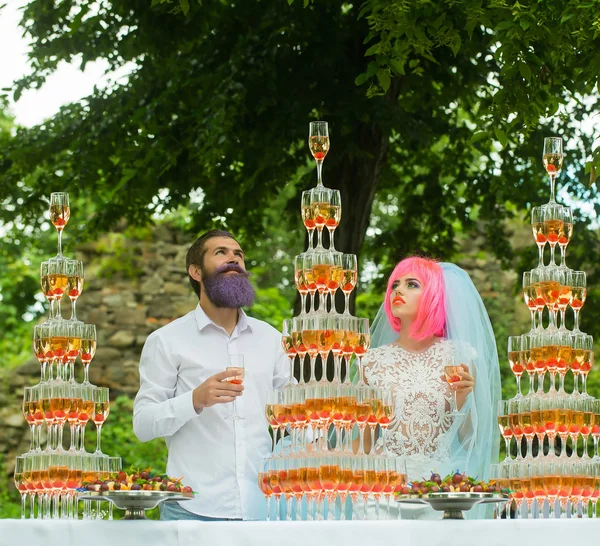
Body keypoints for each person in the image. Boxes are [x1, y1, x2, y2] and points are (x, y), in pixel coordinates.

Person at [133, 229, 289, 521]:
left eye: (238, 254)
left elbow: (296, 415)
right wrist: (194, 399)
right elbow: (143, 424)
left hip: (263, 507)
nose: (233, 259)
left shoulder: (272, 339)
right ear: (195, 271)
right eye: (221, 253)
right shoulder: (167, 340)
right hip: (191, 508)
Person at [360, 256, 501, 519]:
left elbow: (470, 439)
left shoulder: (459, 355)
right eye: (394, 285)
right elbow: (363, 442)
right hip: (379, 491)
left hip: (437, 491)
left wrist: (461, 399)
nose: (398, 291)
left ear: (433, 295)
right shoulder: (371, 361)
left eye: (412, 284)